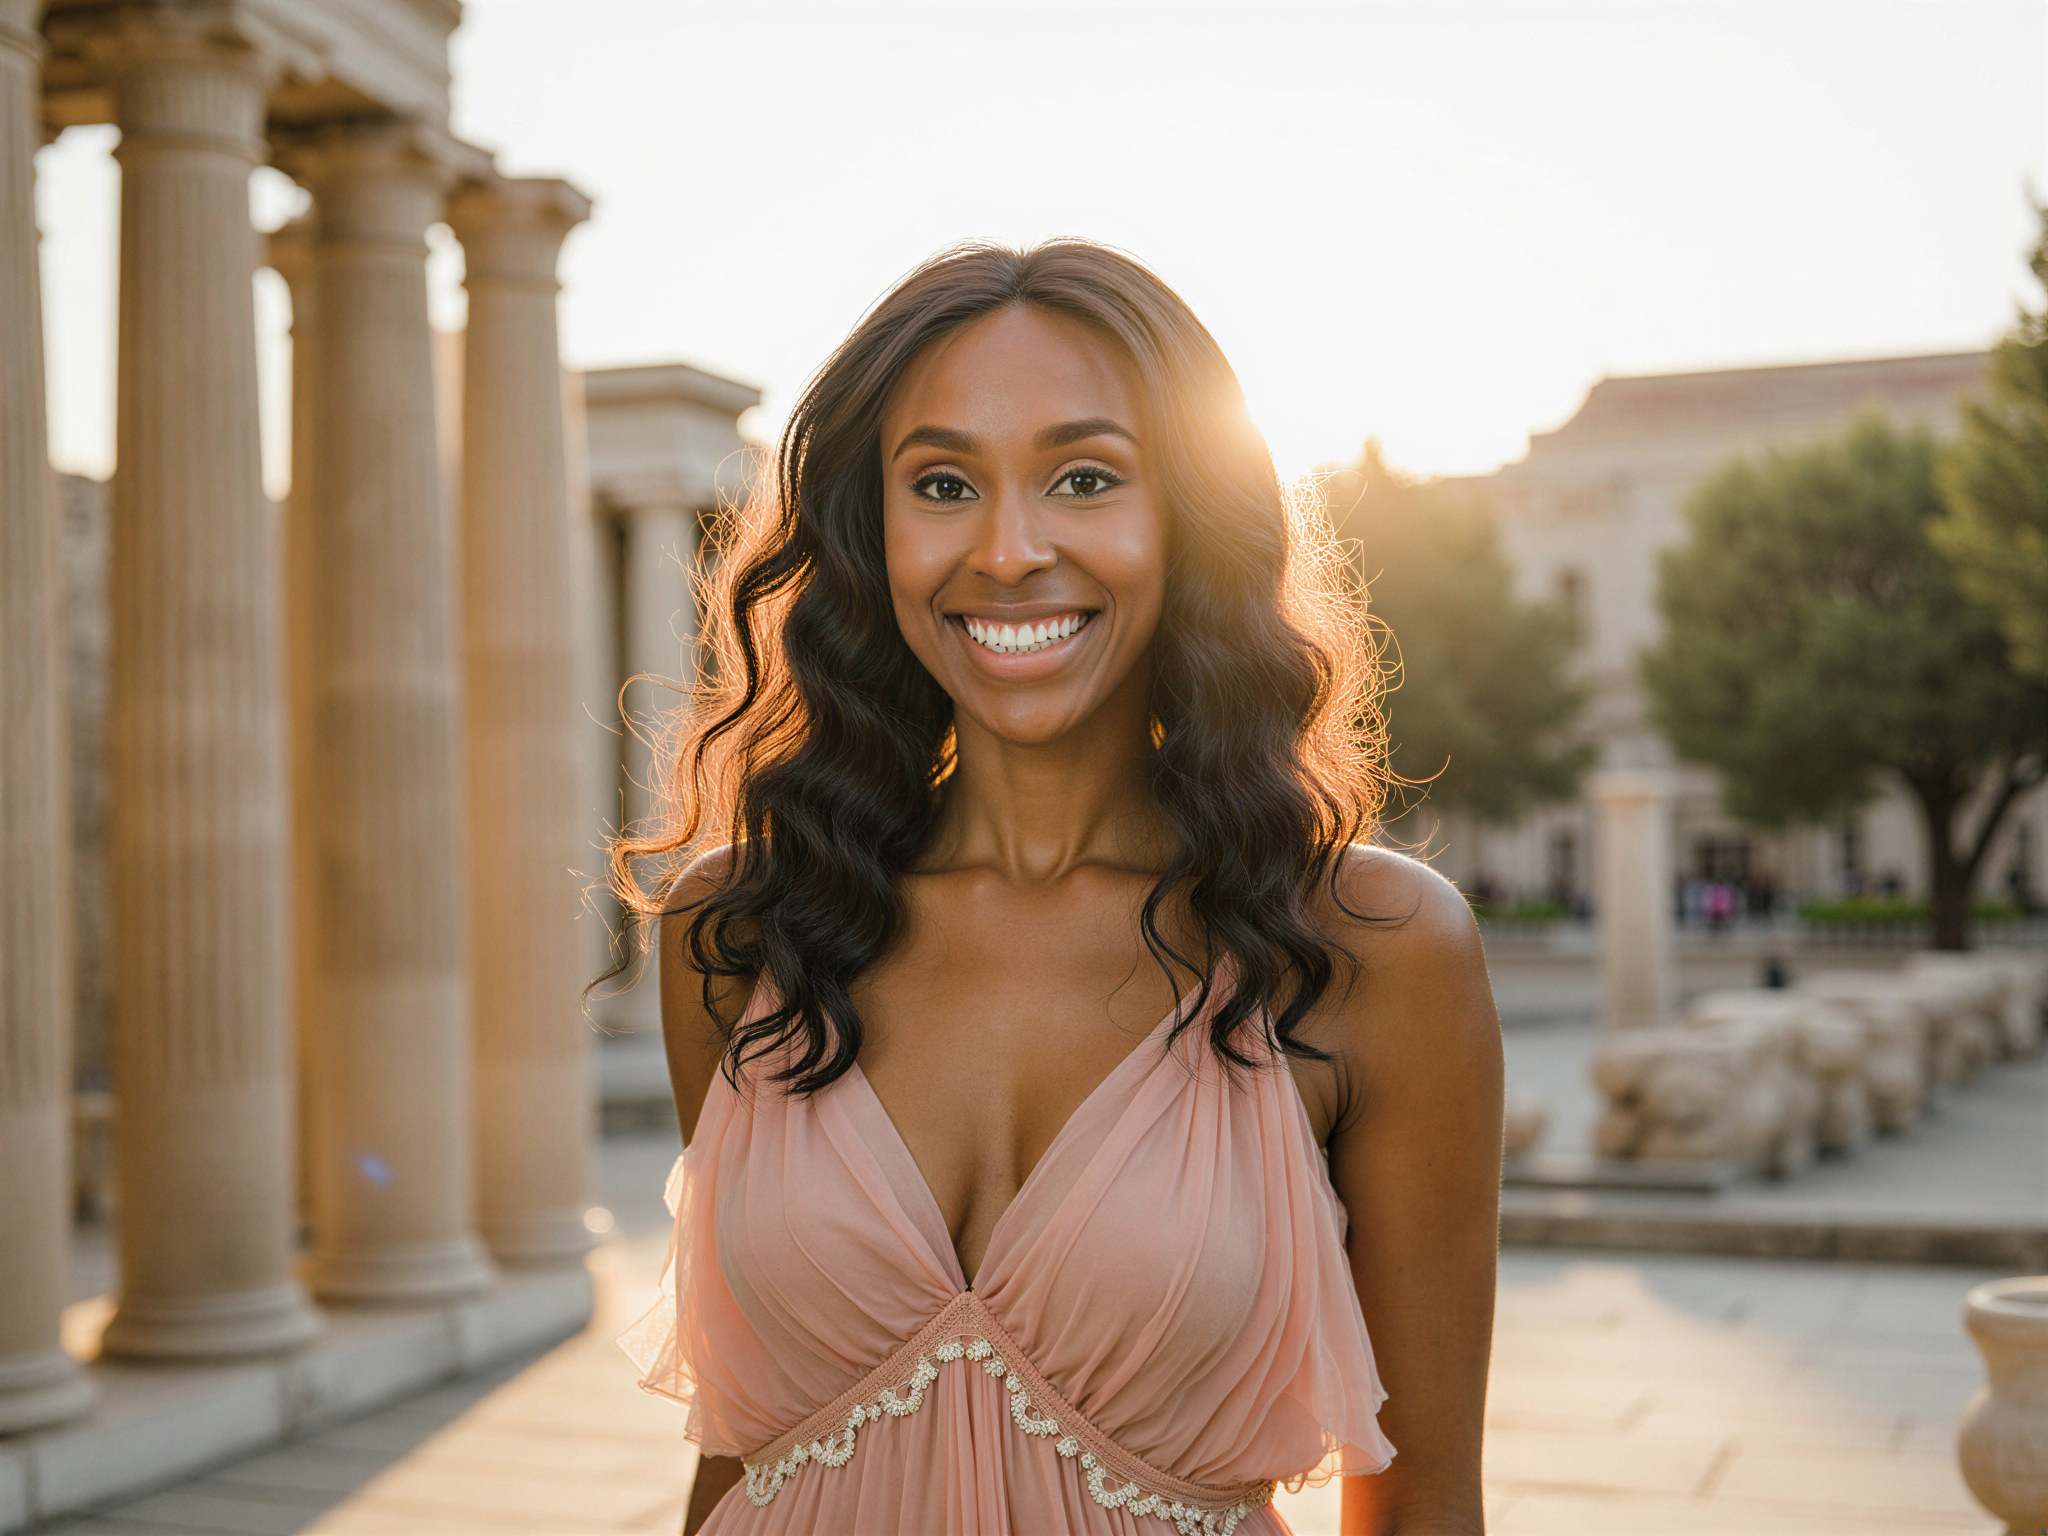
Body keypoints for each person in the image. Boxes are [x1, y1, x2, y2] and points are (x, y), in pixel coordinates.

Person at [612, 241, 1502, 1536]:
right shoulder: (746, 925)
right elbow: (743, 1444)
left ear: (1184, 516)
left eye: (1084, 477)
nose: (1011, 550)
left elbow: (1421, 1503)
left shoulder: (1373, 950)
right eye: (944, 482)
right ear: (876, 528)